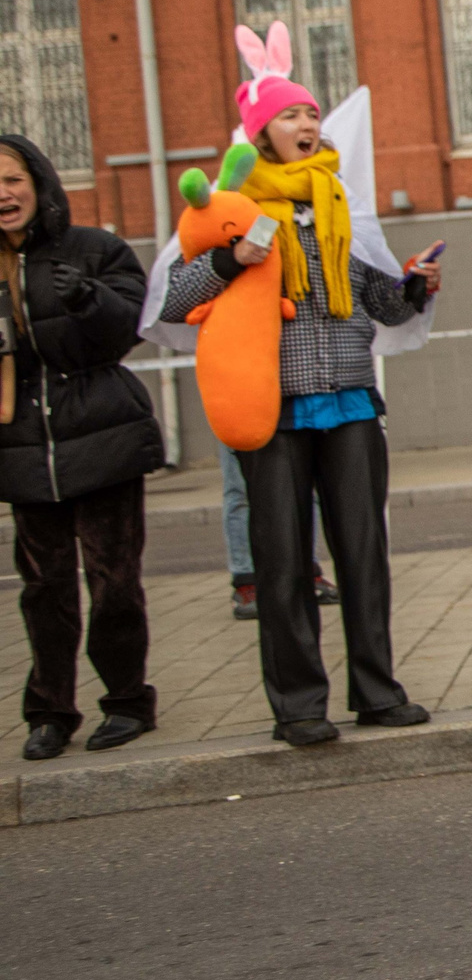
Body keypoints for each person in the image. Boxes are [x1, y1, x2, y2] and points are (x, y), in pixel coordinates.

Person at [157, 48, 438, 747]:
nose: (308, 121)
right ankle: (300, 706)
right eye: (292, 113)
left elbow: (379, 303)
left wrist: (412, 287)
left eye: (312, 112)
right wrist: (229, 261)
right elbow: (171, 298)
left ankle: (377, 692)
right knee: (282, 562)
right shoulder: (235, 208)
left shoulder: (338, 202)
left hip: (347, 399)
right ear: (262, 132)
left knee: (364, 554)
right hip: (271, 407)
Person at [0, 135, 162, 759]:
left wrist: (88, 299)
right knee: (44, 590)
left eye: (13, 179)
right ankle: (49, 713)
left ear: (38, 182)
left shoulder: (95, 248)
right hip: (21, 450)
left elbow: (132, 327)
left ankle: (126, 703)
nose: (4, 194)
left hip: (103, 440)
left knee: (114, 580)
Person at [218, 445, 333, 620]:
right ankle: (246, 581)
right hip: (238, 419)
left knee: (305, 483)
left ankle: (307, 572)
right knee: (241, 489)